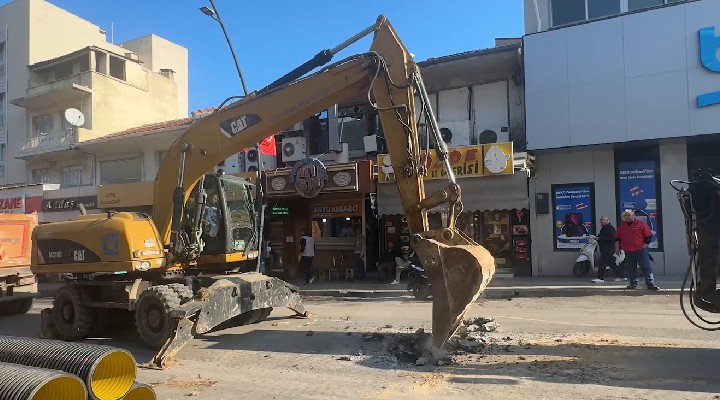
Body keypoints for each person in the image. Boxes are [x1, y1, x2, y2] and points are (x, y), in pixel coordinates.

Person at [615, 209, 660, 291]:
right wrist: (617, 249)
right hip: (628, 251)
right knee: (631, 268)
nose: (627, 217)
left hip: (640, 250)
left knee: (645, 267)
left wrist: (645, 244)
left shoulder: (641, 224)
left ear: (633, 216)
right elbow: (617, 238)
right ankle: (633, 283)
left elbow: (648, 235)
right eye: (625, 215)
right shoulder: (621, 227)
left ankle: (650, 284)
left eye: (629, 215)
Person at [591, 216, 626, 283]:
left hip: (608, 248)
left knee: (602, 262)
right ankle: (622, 276)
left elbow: (612, 238)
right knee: (611, 263)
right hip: (605, 248)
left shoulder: (609, 228)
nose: (601, 221)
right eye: (600, 219)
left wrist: (600, 238)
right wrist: (595, 237)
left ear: (607, 220)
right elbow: (600, 236)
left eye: (603, 220)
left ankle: (600, 278)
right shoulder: (603, 228)